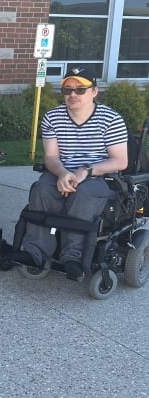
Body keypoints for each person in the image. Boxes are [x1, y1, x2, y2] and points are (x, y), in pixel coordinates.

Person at [15, 67, 128, 280]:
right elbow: (50, 157)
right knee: (41, 188)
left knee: (83, 195)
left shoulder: (111, 119)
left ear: (94, 91)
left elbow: (120, 161)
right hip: (62, 171)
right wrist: (62, 173)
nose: (72, 95)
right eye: (67, 90)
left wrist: (86, 170)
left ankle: (73, 258)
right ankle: (34, 252)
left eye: (80, 90)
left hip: (99, 176)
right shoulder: (52, 117)